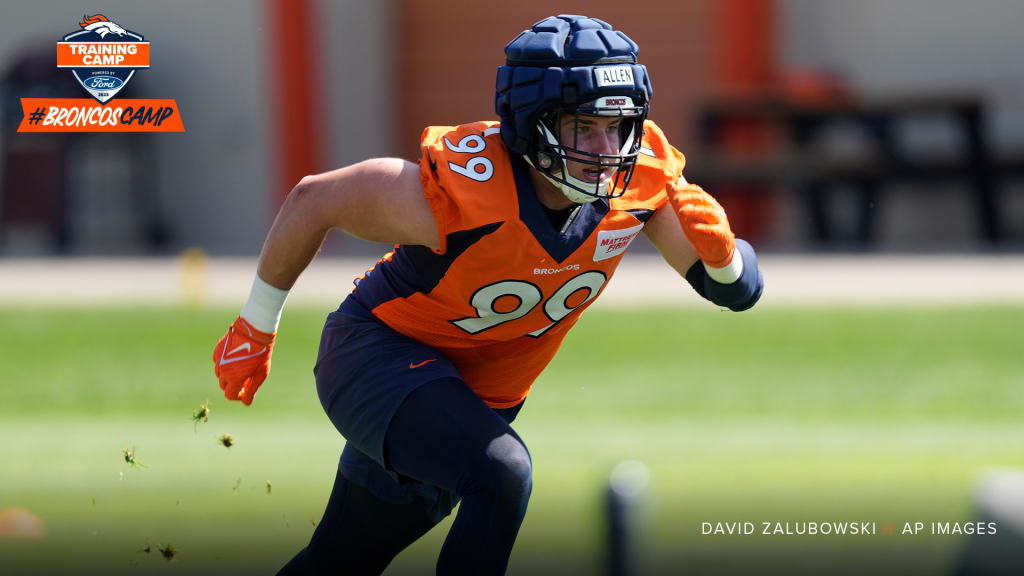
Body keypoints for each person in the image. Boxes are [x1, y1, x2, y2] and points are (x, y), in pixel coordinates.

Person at [212, 14, 762, 576]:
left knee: (343, 560)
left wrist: (725, 260)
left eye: (617, 126)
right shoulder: (467, 188)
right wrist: (257, 324)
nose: (607, 148)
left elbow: (738, 292)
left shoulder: (640, 178)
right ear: (533, 124)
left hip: (472, 396)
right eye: (583, 127)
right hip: (377, 356)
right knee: (502, 474)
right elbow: (313, 200)